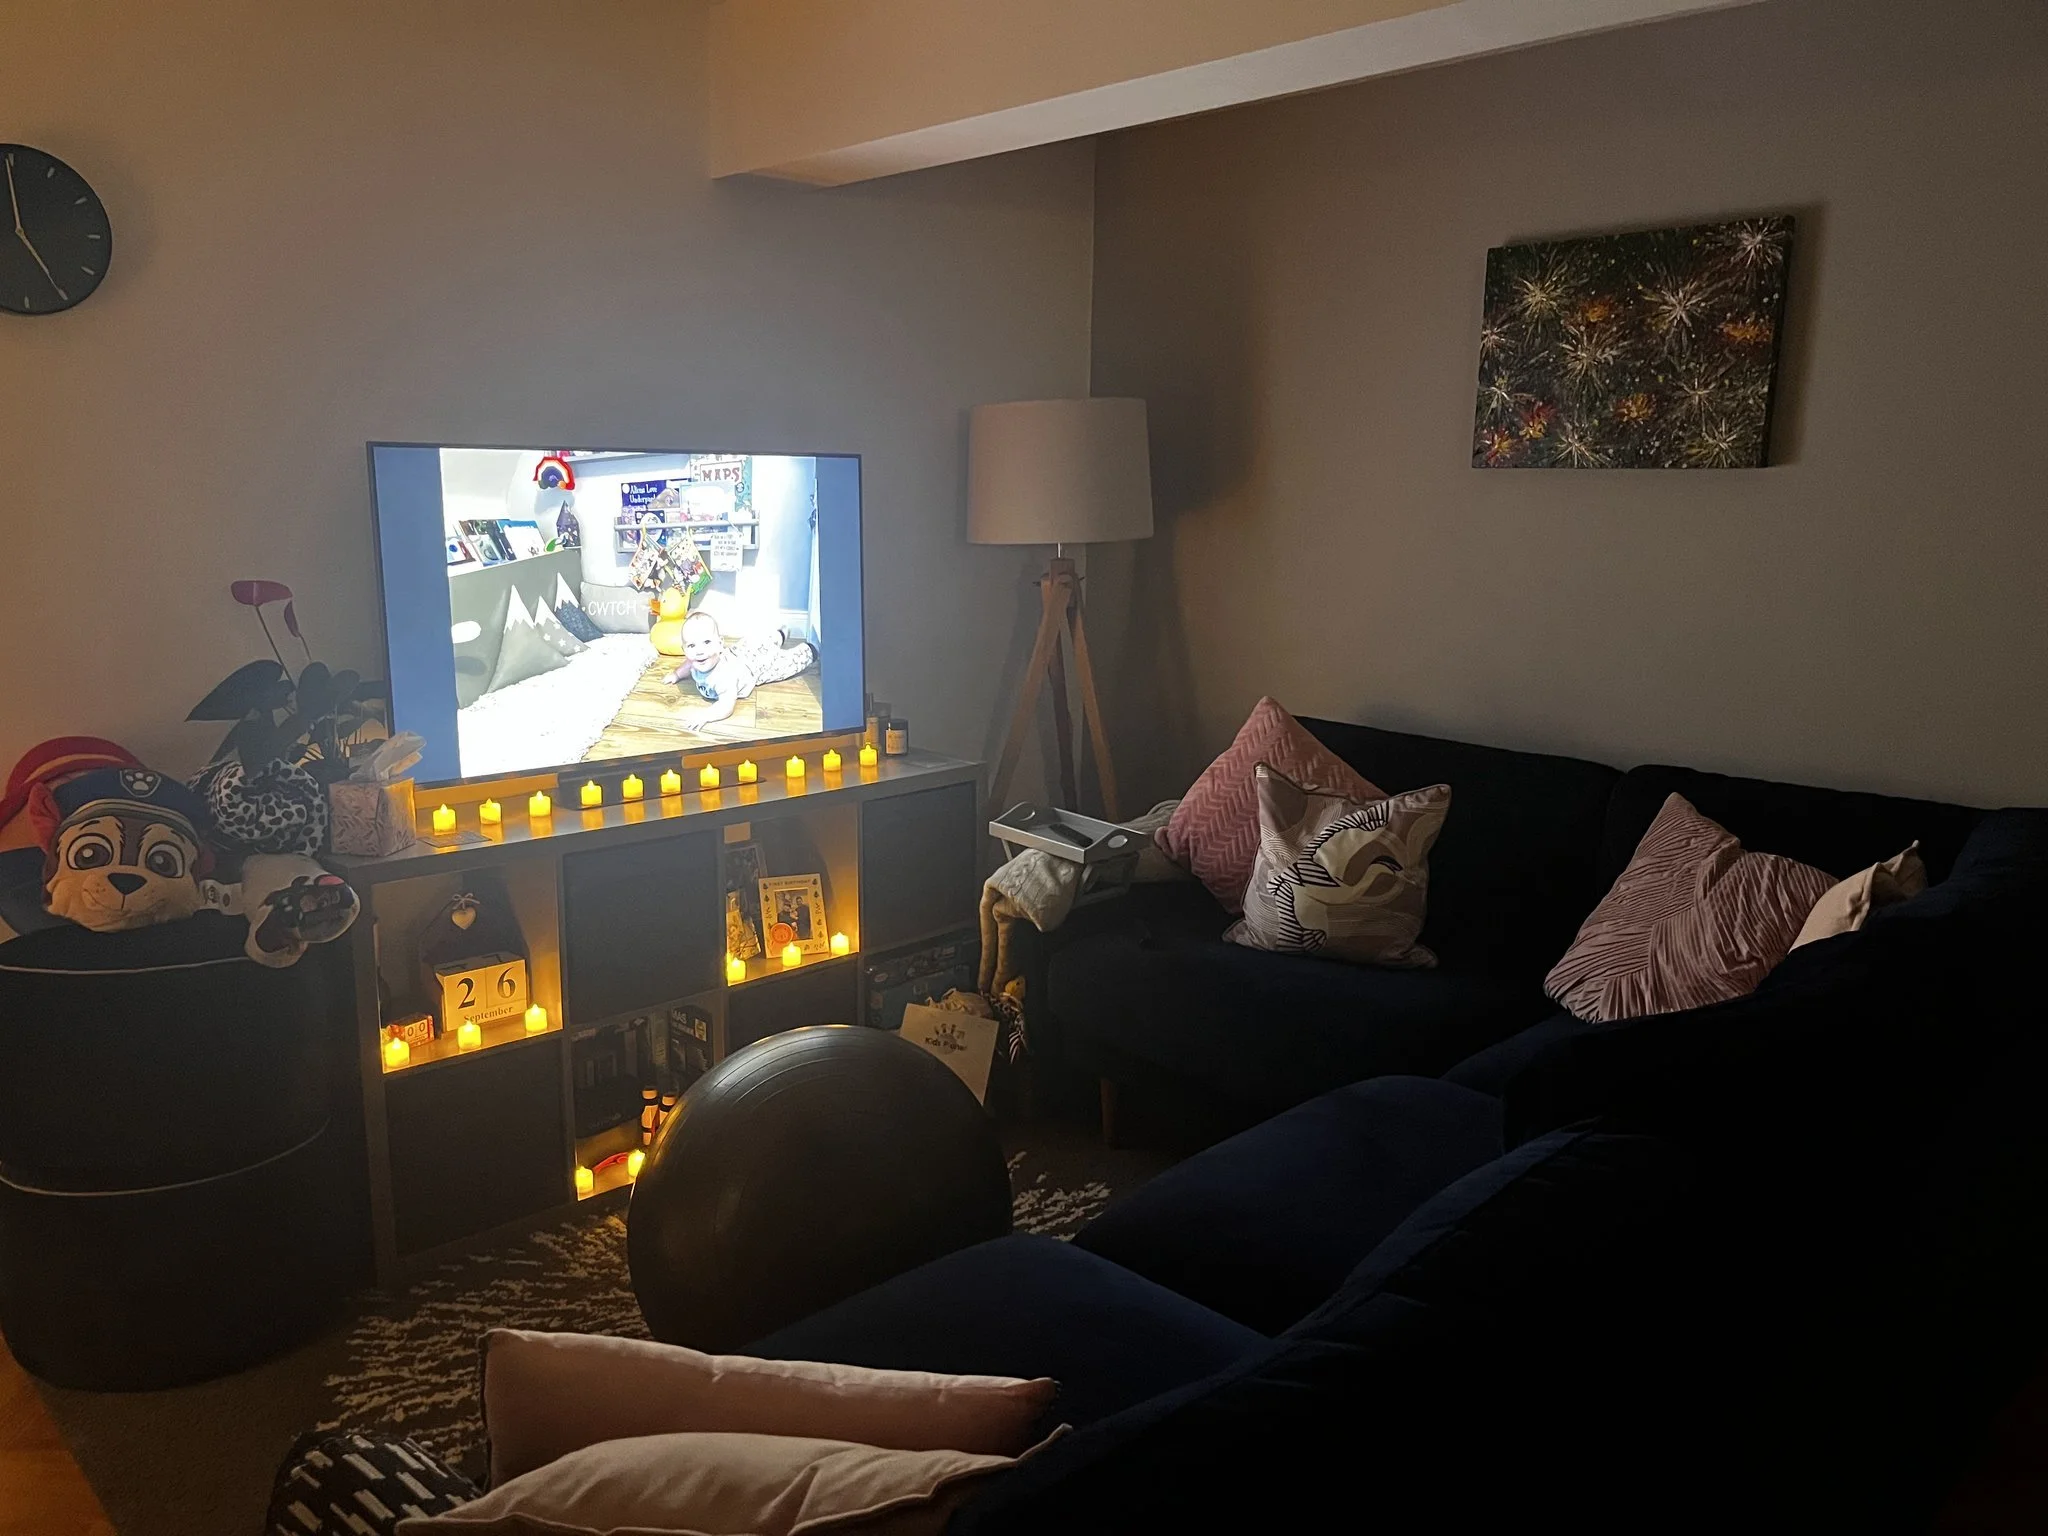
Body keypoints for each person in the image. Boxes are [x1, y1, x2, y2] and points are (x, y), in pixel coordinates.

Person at [665, 609, 817, 725]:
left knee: (782, 663)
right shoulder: (694, 662)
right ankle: (778, 636)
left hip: (754, 668)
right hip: (738, 653)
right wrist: (676, 675)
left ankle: (809, 650)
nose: (699, 651)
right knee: (758, 643)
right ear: (684, 650)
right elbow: (687, 665)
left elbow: (726, 706)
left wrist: (705, 716)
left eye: (706, 642)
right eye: (691, 645)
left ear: (720, 643)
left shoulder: (723, 677)